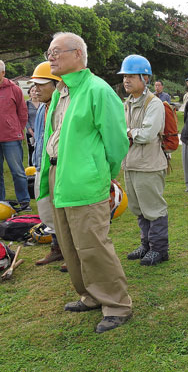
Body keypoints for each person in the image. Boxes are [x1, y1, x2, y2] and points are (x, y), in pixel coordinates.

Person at [38, 32, 132, 333]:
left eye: (56, 52)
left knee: (93, 245)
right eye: (49, 52)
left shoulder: (97, 90)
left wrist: (104, 174)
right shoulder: (63, 92)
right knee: (69, 244)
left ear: (77, 54)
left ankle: (117, 304)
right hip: (58, 176)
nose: (50, 57)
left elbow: (117, 143)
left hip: (85, 180)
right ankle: (90, 295)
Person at [119, 55, 170, 266]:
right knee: (139, 208)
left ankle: (159, 249)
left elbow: (148, 134)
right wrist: (128, 133)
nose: (126, 81)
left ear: (145, 78)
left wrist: (128, 132)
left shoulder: (154, 104)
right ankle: (146, 245)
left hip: (149, 165)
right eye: (124, 77)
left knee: (153, 208)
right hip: (130, 164)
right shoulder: (127, 103)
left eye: (131, 76)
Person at [29, 62, 64, 269]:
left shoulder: (63, 107)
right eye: (34, 84)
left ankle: (71, 252)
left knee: (63, 212)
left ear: (56, 84)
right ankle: (57, 249)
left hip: (59, 166)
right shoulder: (42, 107)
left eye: (42, 84)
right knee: (46, 210)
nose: (36, 89)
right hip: (41, 164)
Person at [0, 59, 30, 212]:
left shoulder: (14, 89)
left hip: (12, 137)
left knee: (18, 171)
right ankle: (1, 203)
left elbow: (23, 112)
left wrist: (18, 129)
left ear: (3, 73)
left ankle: (24, 202)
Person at [26, 86, 41, 167]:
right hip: (30, 133)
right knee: (31, 151)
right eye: (32, 91)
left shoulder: (43, 103)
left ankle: (40, 166)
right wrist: (31, 132)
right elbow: (25, 119)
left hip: (41, 132)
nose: (34, 92)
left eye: (36, 90)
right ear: (29, 93)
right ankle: (31, 169)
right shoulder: (26, 104)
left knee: (41, 150)